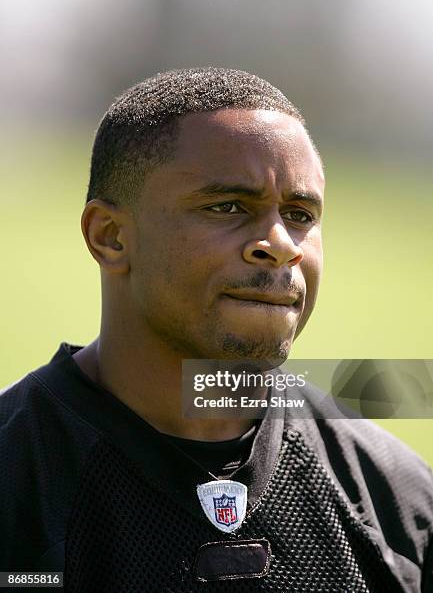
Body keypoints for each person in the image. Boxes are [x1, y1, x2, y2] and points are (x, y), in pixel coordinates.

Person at [1, 67, 432, 592]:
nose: (281, 244)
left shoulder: (397, 497)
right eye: (227, 207)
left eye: (299, 214)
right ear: (110, 237)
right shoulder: (18, 474)